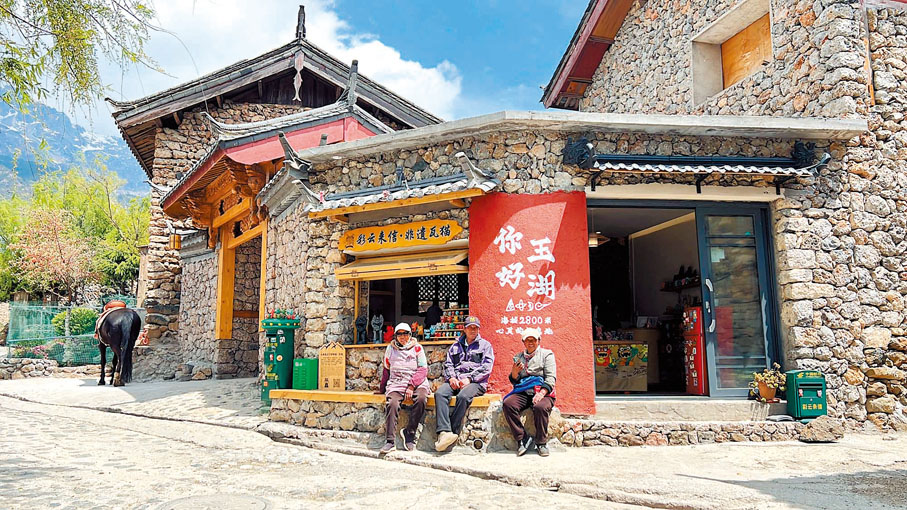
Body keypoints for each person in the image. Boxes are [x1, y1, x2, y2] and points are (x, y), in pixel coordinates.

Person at [433, 315, 494, 452]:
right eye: (470, 328)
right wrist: (452, 378)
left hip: (476, 382)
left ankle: (453, 432)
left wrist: (470, 379)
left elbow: (486, 368)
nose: (473, 330)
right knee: (440, 393)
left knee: (463, 397)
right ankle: (444, 432)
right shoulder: (455, 346)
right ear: (464, 329)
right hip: (457, 380)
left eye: (475, 328)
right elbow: (448, 364)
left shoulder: (485, 346)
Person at [375, 323, 430, 454]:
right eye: (399, 334)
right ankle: (390, 441)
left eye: (405, 333)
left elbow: (423, 370)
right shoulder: (390, 349)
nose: (403, 337)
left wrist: (411, 386)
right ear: (396, 336)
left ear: (410, 335)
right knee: (392, 403)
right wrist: (382, 389)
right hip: (397, 382)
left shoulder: (417, 348)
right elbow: (386, 370)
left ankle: (409, 433)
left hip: (417, 383)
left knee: (421, 398)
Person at [503, 327, 557, 457]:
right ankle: (522, 438)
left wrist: (541, 393)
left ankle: (541, 443)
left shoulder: (547, 355)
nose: (530, 343)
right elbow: (515, 381)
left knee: (540, 407)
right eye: (527, 340)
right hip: (524, 392)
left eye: (533, 340)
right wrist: (515, 372)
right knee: (508, 404)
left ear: (539, 341)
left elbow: (550, 378)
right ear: (524, 342)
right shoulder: (518, 357)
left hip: (542, 391)